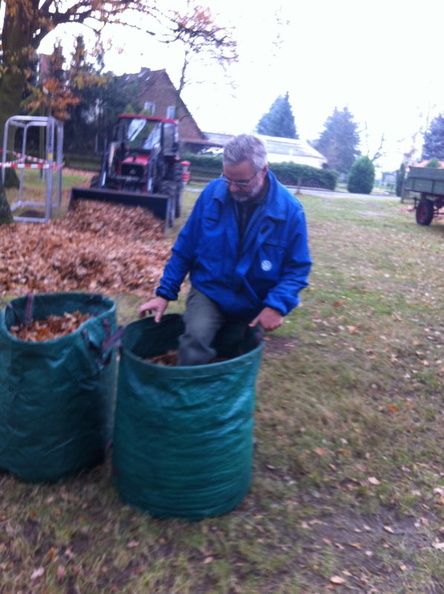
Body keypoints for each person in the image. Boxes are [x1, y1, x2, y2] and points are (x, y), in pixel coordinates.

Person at [139, 134, 312, 365]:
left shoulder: (290, 211)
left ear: (262, 171)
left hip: (253, 299)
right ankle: (187, 393)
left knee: (233, 354)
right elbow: (185, 247)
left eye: (241, 182)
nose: (231, 188)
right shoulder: (212, 194)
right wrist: (164, 294)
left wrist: (277, 305)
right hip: (210, 290)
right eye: (226, 178)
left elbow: (297, 268)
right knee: (196, 340)